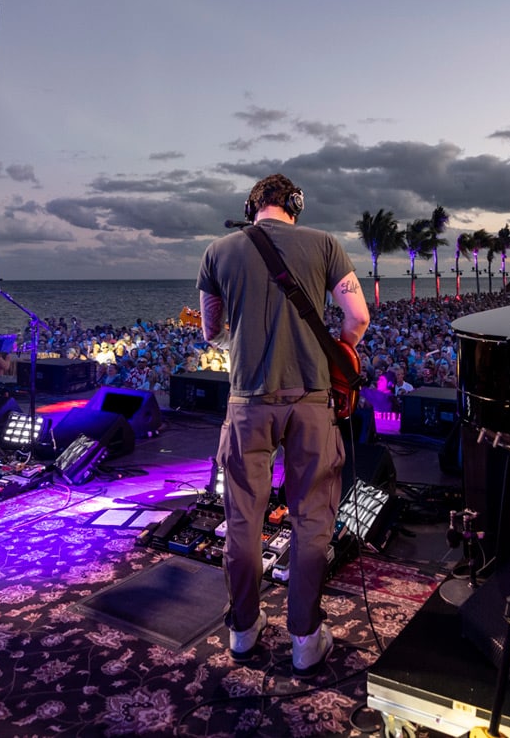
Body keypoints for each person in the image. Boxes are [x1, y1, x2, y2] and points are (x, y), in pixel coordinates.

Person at [198, 174, 370, 674]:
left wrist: (246, 342)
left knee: (242, 520)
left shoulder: (218, 251)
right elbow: (356, 316)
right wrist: (338, 351)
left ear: (251, 206)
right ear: (296, 204)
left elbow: (212, 331)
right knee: (312, 519)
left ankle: (244, 631)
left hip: (247, 402)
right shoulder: (325, 245)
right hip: (313, 401)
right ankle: (305, 638)